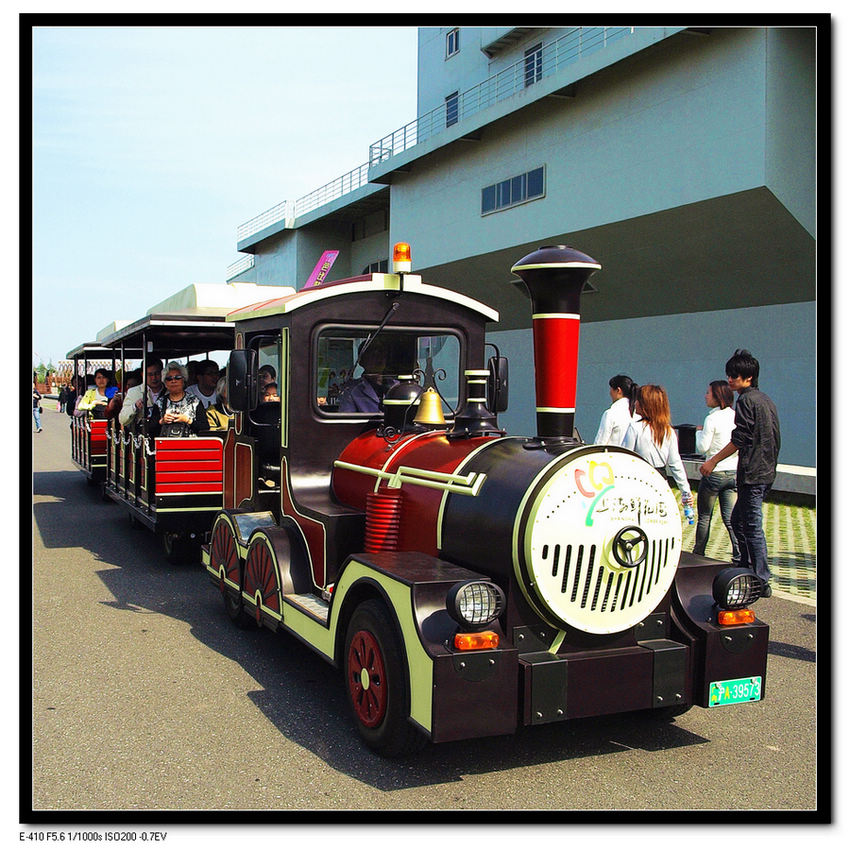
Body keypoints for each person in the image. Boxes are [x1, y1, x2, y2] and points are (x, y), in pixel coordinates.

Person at [699, 349, 780, 596]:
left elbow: (741, 438)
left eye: (735, 376)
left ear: (748, 378)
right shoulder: (765, 400)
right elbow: (775, 436)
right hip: (763, 471)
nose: (731, 379)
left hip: (753, 473)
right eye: (730, 375)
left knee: (751, 524)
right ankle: (746, 567)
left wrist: (712, 460)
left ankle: (761, 578)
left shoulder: (746, 400)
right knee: (737, 520)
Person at [622, 384, 693, 510]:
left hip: (639, 482)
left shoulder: (635, 428)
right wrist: (685, 491)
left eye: (639, 400)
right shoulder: (668, 431)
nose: (636, 403)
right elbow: (675, 464)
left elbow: (625, 458)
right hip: (661, 482)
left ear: (646, 405)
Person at [693, 381, 741, 562]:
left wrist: (699, 432)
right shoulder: (735, 415)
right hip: (732, 472)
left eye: (708, 393)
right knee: (730, 519)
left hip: (713, 473)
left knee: (705, 516)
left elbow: (703, 448)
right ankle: (739, 554)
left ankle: (698, 553)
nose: (706, 396)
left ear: (717, 397)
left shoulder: (711, 419)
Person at [338, 338, 398, 413]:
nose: (379, 358)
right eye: (373, 355)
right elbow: (346, 420)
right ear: (362, 361)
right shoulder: (351, 390)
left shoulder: (398, 387)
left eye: (382, 354)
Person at [152, 362, 206, 437]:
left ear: (183, 380)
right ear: (165, 383)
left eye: (177, 378)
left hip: (190, 446)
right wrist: (162, 421)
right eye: (169, 378)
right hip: (166, 446)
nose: (173, 381)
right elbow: (150, 429)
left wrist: (187, 420)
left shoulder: (195, 401)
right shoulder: (159, 403)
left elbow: (205, 427)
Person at [119, 359, 165, 430]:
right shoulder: (133, 392)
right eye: (150, 374)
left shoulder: (170, 391)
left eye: (157, 373)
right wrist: (134, 407)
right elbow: (122, 419)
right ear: (142, 374)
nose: (154, 378)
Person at [594, 374, 639, 445]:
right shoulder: (638, 413)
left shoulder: (610, 413)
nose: (610, 392)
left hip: (613, 455)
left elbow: (600, 443)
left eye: (611, 389)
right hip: (633, 456)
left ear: (618, 390)